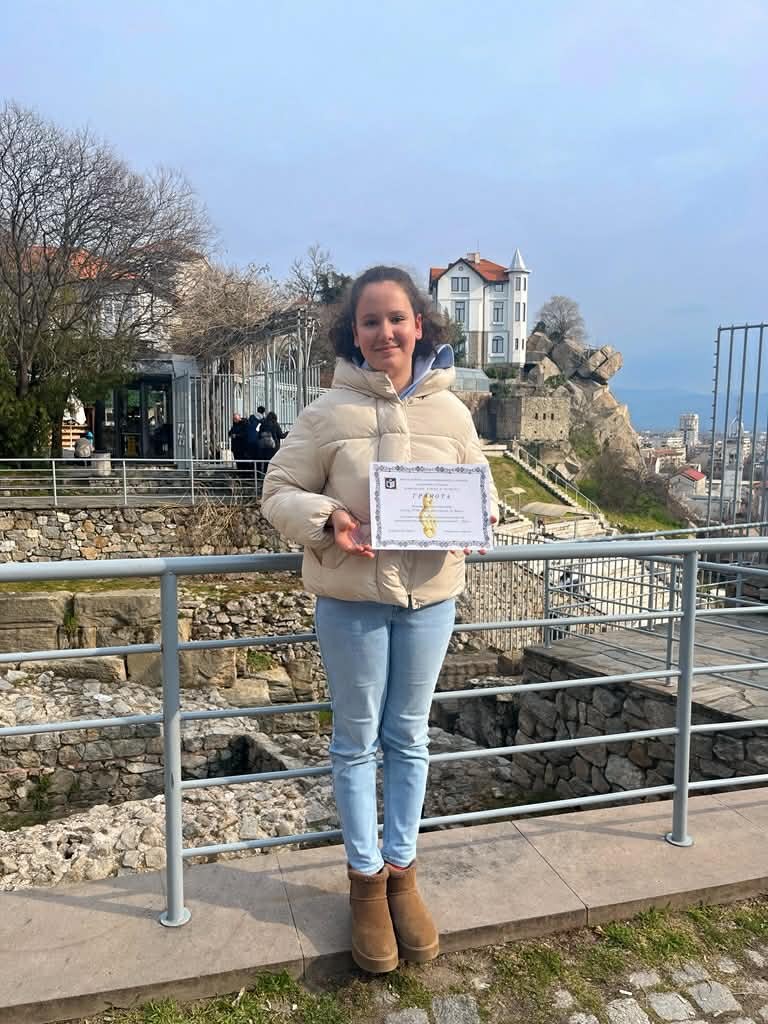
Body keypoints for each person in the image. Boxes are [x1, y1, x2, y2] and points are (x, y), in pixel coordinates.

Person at [261, 266, 498, 974]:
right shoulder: (326, 411)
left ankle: (403, 873)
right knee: (356, 741)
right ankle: (365, 881)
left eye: (397, 318)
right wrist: (328, 517)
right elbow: (277, 490)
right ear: (353, 332)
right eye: (371, 321)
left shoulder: (452, 413)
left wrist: (480, 517)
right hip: (351, 602)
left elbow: (482, 486)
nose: (385, 332)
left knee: (410, 738)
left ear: (419, 325)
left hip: (431, 599)